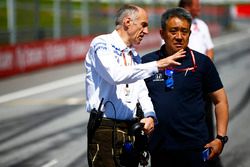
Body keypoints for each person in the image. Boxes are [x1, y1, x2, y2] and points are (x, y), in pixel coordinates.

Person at [84, 4, 186, 167]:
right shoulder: (101, 43)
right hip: (105, 126)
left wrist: (150, 114)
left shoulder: (134, 54)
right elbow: (115, 75)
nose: (146, 31)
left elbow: (141, 90)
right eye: (143, 25)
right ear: (127, 22)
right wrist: (157, 65)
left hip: (130, 127)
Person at [141, 7, 229, 167]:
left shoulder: (202, 63)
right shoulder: (147, 63)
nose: (179, 37)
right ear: (162, 34)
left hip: (195, 149)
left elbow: (220, 100)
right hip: (160, 151)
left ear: (189, 34)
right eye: (173, 31)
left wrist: (221, 138)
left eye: (184, 31)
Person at [179, 1, 220, 166]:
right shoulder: (174, 24)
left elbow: (209, 48)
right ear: (188, 6)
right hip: (182, 80)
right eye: (197, 5)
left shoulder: (201, 25)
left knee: (206, 120)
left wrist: (204, 70)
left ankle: (210, 156)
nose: (200, 8)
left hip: (201, 80)